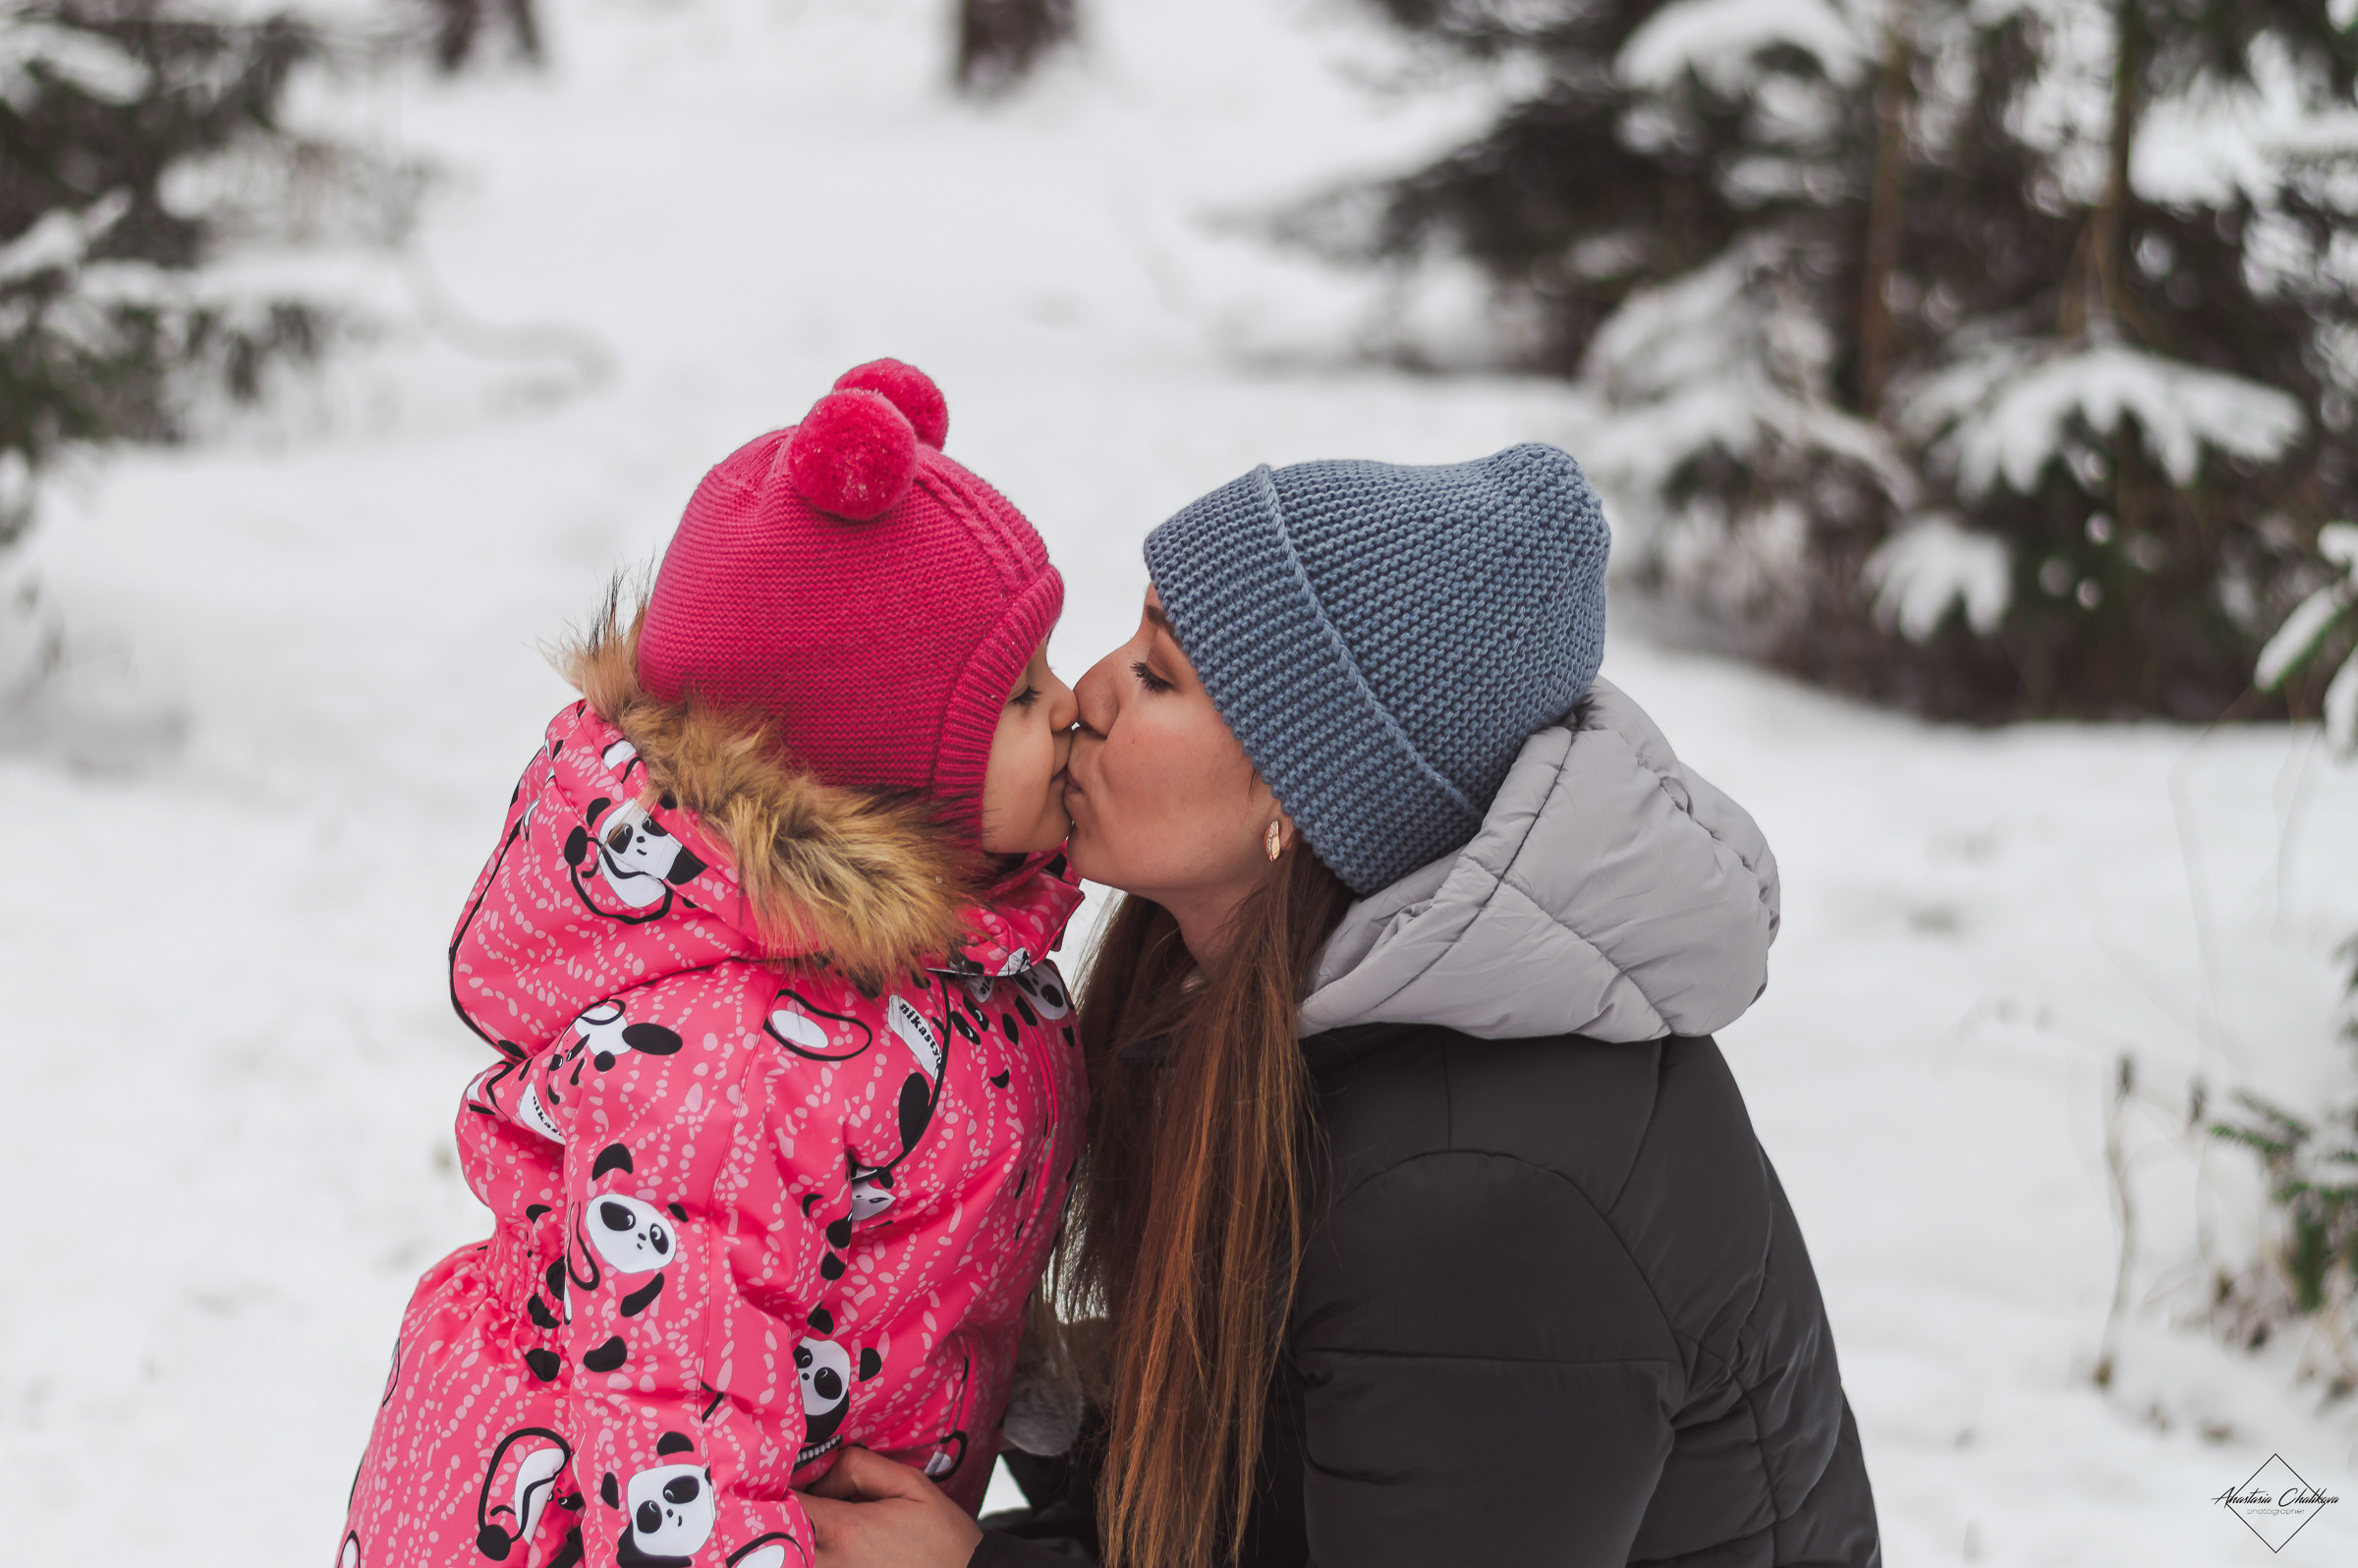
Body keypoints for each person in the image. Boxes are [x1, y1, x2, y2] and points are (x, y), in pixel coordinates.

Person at [800, 445, 1881, 1568]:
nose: (1087, 696)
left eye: (1160, 676)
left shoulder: (1482, 1195)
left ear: (1302, 797)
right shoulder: (1245, 1009)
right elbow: (1253, 1500)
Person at [340, 361, 1093, 1568]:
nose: (1068, 710)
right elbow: (670, 1426)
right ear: (872, 765)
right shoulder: (724, 1064)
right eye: (1016, 696)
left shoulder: (957, 965)